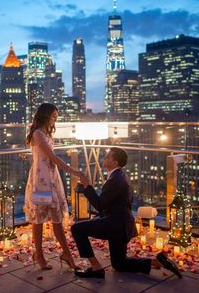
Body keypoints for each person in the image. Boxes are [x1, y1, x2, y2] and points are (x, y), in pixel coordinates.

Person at [72, 147, 182, 279]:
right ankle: (156, 262)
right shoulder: (120, 175)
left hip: (115, 225)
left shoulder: (114, 180)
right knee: (119, 264)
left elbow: (100, 205)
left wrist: (87, 186)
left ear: (115, 162)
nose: (103, 158)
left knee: (77, 229)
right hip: (123, 225)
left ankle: (96, 267)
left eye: (107, 157)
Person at [24, 103, 84, 270]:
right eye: (53, 117)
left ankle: (68, 255)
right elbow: (52, 158)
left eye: (56, 118)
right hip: (41, 180)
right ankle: (39, 255)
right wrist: (74, 171)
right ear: (45, 115)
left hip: (52, 178)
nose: (54, 121)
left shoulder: (46, 134)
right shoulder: (37, 134)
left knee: (57, 218)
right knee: (38, 220)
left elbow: (53, 160)